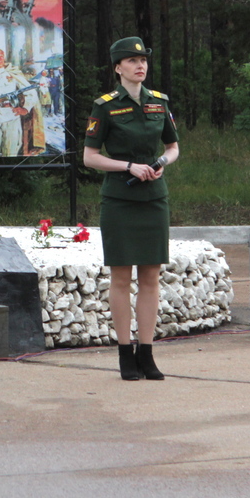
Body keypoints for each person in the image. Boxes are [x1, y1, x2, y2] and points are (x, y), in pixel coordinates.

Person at [82, 37, 179, 381]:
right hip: (120, 199)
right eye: (132, 60)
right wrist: (128, 167)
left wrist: (162, 162)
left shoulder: (158, 102)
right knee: (121, 277)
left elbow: (173, 146)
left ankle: (147, 353)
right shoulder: (105, 106)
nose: (141, 65)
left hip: (154, 197)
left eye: (144, 60)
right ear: (118, 67)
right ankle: (125, 353)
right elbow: (90, 157)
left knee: (151, 276)